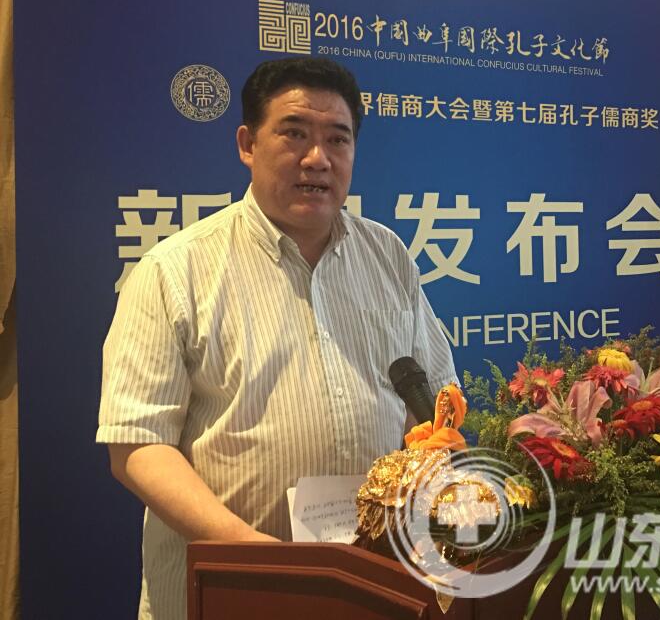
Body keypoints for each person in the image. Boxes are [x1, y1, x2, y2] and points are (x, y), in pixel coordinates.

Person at [96, 57, 457, 620]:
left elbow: (431, 405)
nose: (317, 158)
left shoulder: (388, 255)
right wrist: (255, 552)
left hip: (375, 580)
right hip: (233, 587)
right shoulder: (175, 270)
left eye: (337, 139)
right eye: (294, 134)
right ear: (248, 144)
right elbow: (138, 446)